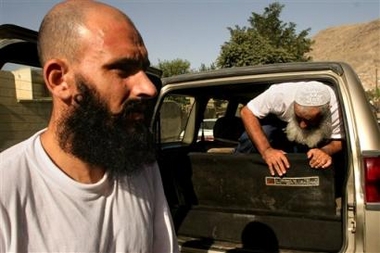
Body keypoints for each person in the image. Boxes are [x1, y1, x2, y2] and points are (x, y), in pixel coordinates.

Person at [0, 1, 179, 252]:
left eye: (143, 69)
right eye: (122, 69)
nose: (149, 88)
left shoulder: (140, 166)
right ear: (59, 80)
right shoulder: (6, 188)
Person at [237, 81, 344, 177]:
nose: (302, 125)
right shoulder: (279, 94)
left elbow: (339, 141)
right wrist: (267, 150)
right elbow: (247, 112)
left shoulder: (338, 108)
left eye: (308, 120)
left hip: (319, 134)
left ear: (325, 112)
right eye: (299, 117)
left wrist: (323, 151)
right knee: (261, 133)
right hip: (280, 124)